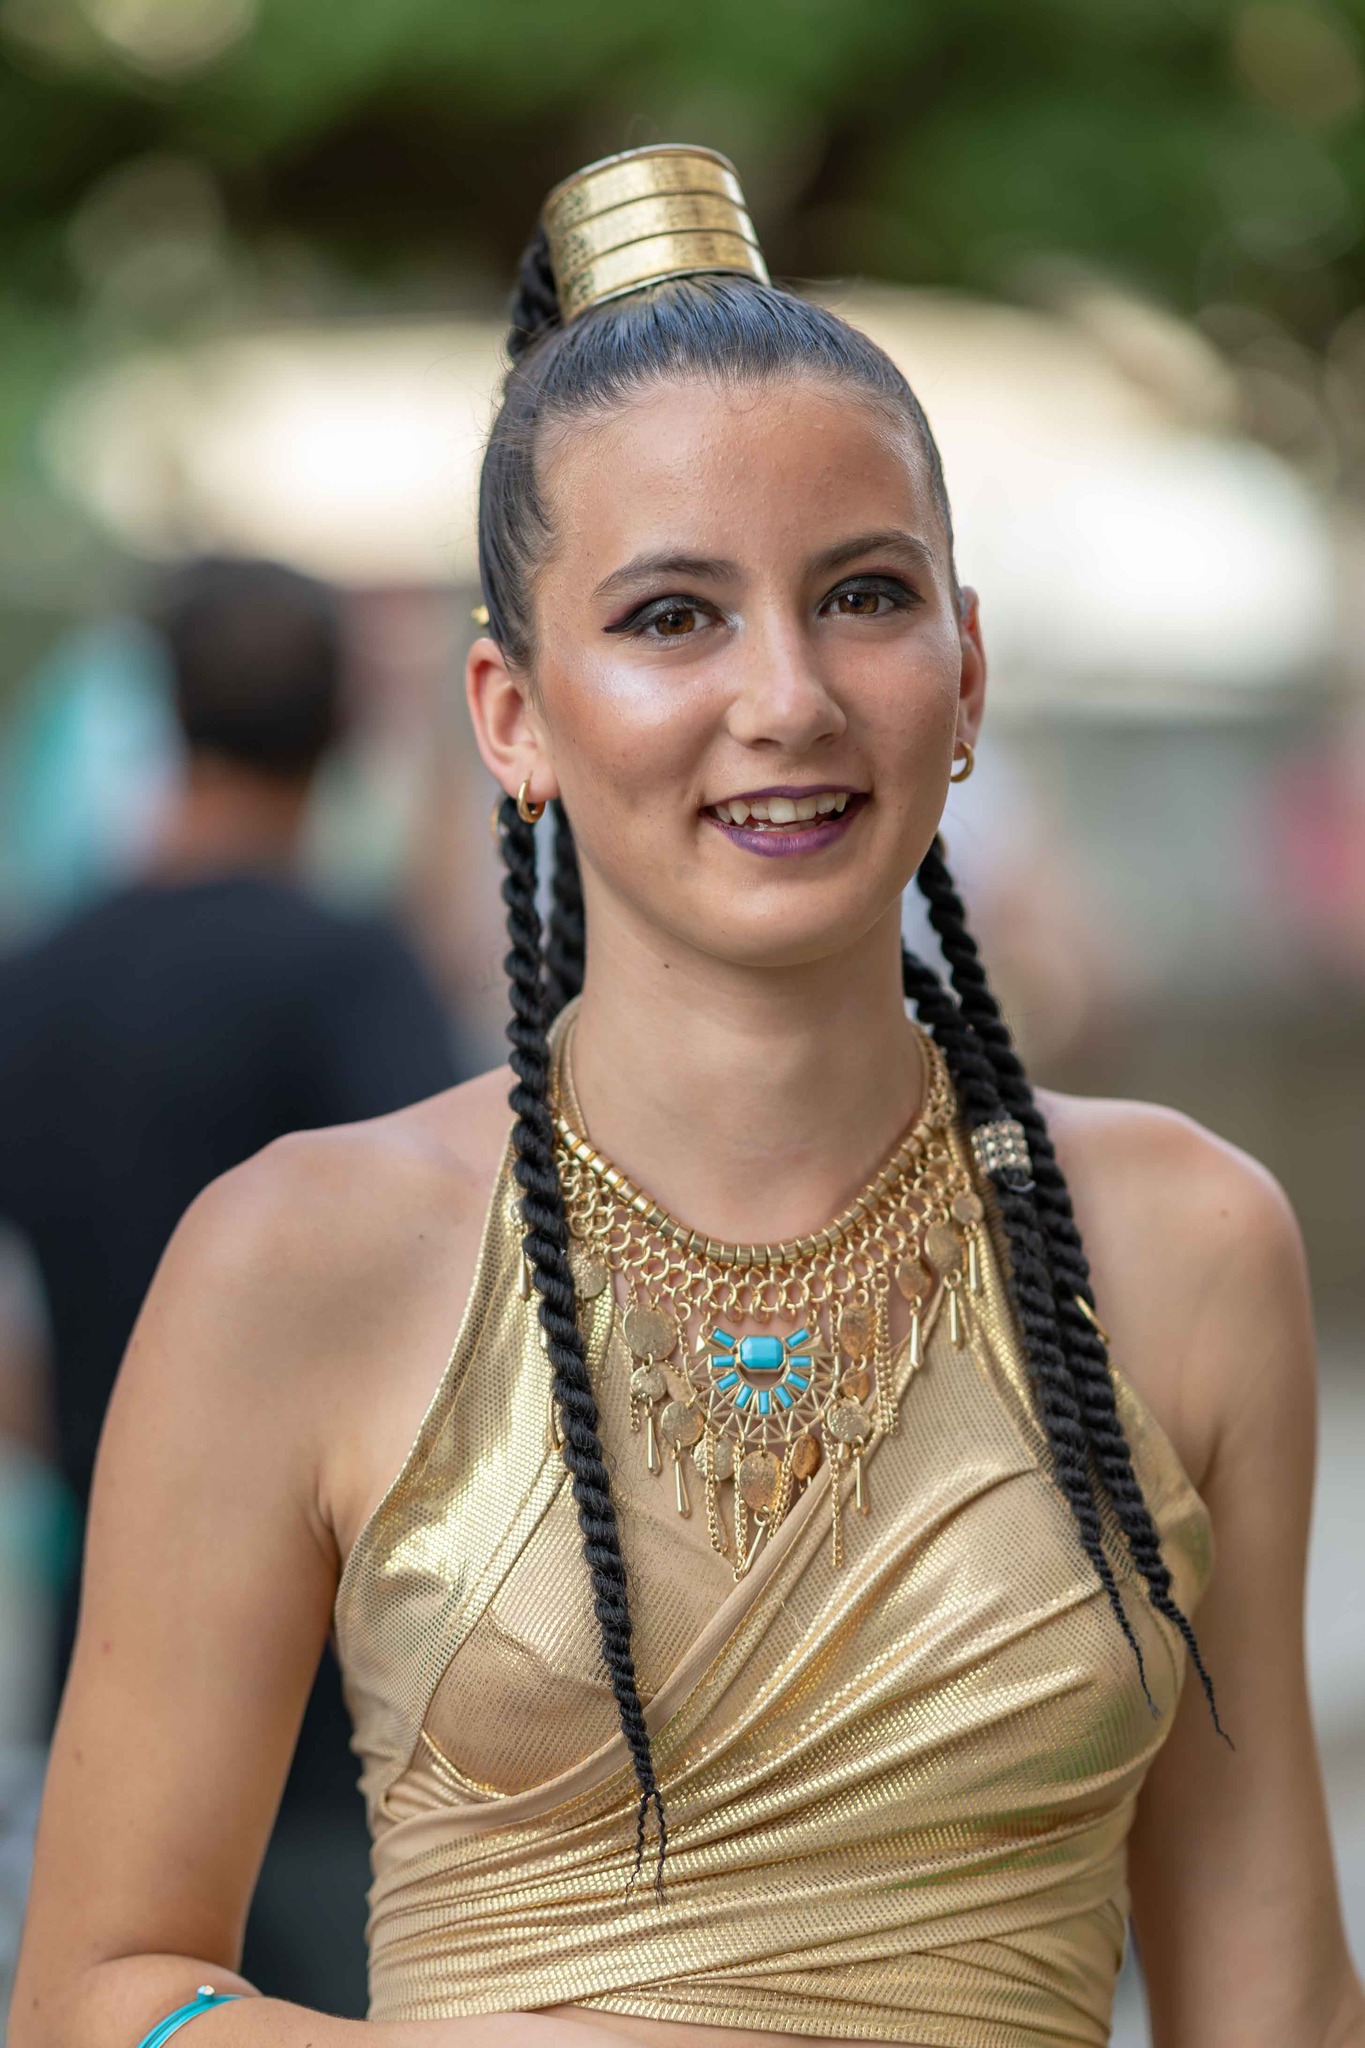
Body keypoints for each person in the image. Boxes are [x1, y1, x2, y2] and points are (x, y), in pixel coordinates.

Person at [12, 147, 1363, 2048]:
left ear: (966, 671)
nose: (786, 698)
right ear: (512, 715)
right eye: (671, 617)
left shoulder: (1183, 1245)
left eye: (864, 596)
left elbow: (1272, 1996)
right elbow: (93, 1996)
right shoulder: (298, 1257)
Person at [0, 555, 461, 2020]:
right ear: (342, 729)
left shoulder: (37, 977)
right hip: (338, 1710)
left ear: (160, 712)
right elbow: (459, 1294)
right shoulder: (354, 977)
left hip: (99, 1669)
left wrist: (93, 1455)